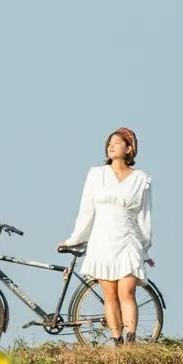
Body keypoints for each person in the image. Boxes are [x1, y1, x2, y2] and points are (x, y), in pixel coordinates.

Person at [57, 127, 152, 344]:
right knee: (109, 295)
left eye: (117, 143)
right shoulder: (96, 174)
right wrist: (74, 239)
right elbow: (86, 211)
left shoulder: (140, 179)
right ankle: (116, 339)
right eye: (109, 142)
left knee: (126, 292)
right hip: (102, 241)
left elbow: (144, 217)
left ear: (129, 149)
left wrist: (145, 248)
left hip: (128, 239)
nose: (111, 145)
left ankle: (131, 339)